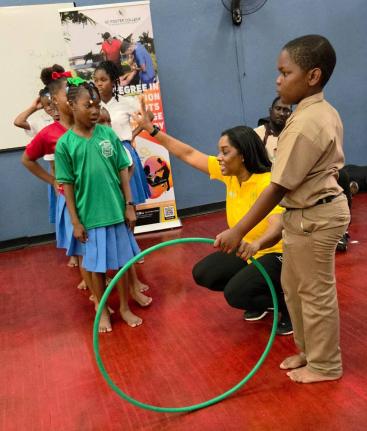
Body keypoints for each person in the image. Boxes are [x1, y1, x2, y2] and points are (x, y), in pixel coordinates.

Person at [214, 35, 350, 383]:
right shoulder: (311, 113)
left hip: (316, 217)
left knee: (315, 292)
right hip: (300, 217)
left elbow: (277, 187)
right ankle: (308, 351)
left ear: (312, 76)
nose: (278, 79)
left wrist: (239, 230)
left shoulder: (308, 122)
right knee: (293, 287)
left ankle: (325, 364)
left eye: (284, 72)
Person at [132, 105, 292, 335]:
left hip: (276, 254)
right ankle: (266, 299)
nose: (219, 157)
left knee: (236, 294)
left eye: (225, 152)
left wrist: (257, 244)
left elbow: (278, 225)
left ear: (244, 155)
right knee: (204, 273)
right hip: (248, 252)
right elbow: (188, 154)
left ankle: (289, 305)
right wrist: (153, 130)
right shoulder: (232, 176)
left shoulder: (266, 183)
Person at [55, 80, 144, 331]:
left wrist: (129, 204)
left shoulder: (107, 134)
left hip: (116, 212)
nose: (94, 111)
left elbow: (123, 170)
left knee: (123, 264)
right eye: (88, 105)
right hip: (90, 217)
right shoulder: (65, 144)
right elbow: (68, 186)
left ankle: (125, 307)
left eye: (96, 105)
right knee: (95, 268)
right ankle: (102, 309)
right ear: (72, 106)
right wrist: (75, 221)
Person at [94, 61, 152, 301]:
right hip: (102, 160)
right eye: (96, 80)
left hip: (124, 156)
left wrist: (129, 138)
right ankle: (113, 272)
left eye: (103, 79)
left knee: (130, 209)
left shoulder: (125, 102)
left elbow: (145, 118)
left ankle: (131, 255)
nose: (99, 84)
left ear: (114, 80)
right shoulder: (93, 106)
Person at [254, 97, 292, 161]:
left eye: (286, 110)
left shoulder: (294, 134)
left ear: (290, 114)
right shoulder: (256, 134)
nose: (281, 113)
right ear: (270, 111)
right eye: (278, 109)